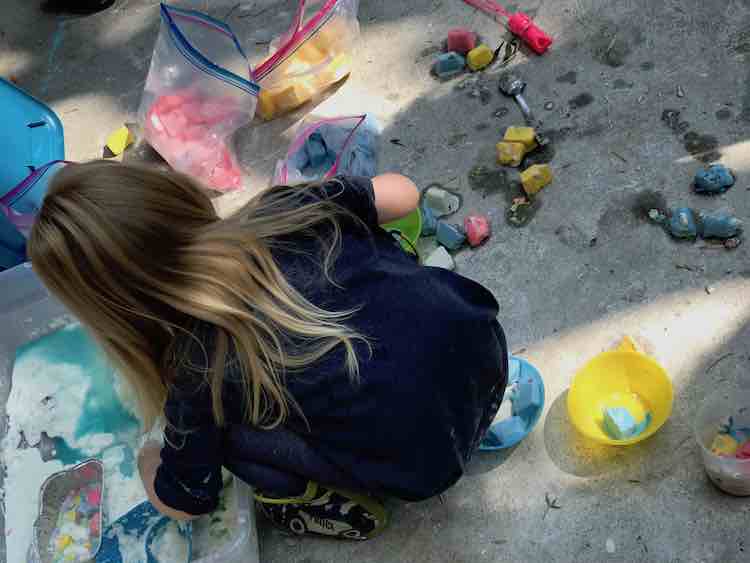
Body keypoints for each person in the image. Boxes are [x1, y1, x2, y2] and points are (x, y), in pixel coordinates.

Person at [28, 161, 508, 540]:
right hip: (488, 353)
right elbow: (402, 194)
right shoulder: (286, 205)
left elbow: (188, 497)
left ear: (113, 312)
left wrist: (149, 459)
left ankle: (314, 501)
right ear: (173, 192)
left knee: (230, 437)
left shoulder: (197, 370)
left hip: (426, 467)